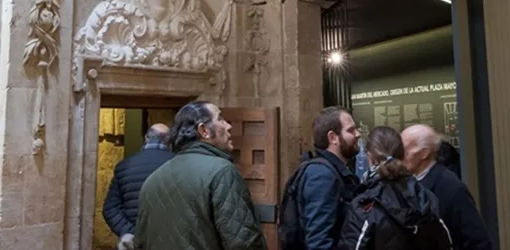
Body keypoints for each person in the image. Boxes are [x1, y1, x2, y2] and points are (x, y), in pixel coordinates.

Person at [136, 101, 267, 250]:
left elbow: (140, 241)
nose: (228, 126)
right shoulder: (222, 172)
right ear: (204, 130)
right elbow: (243, 243)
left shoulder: (152, 180)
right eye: (220, 119)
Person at [338, 126, 453, 250]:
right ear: (402, 154)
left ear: (369, 156)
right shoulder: (424, 197)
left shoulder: (366, 205)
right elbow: (445, 243)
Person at [401, 124, 493, 250]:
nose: (399, 156)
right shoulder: (409, 182)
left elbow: (476, 240)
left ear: (424, 153)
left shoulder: (450, 187)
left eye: (404, 151)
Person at [280, 106, 361, 250]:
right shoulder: (322, 175)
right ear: (333, 137)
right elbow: (318, 241)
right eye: (350, 130)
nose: (358, 134)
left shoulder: (333, 171)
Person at [102, 123, 174, 250]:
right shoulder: (178, 165)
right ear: (169, 141)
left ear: (146, 138)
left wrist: (130, 231)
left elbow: (110, 209)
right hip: (169, 240)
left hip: (133, 242)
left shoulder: (124, 165)